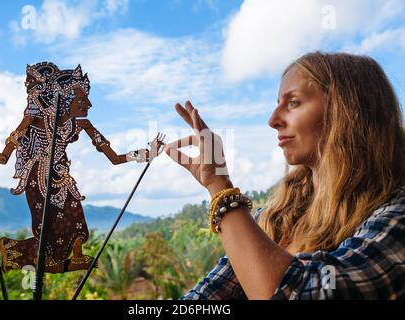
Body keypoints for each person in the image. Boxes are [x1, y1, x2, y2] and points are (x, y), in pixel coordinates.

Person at [164, 52, 405, 299]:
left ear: (347, 111)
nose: (273, 120)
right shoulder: (276, 216)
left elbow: (304, 293)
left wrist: (219, 185)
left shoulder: (396, 216)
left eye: (293, 103)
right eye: (278, 103)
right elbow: (209, 295)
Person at [0, 62, 165, 273]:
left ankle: (77, 256)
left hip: (62, 178)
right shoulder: (31, 120)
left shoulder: (83, 125)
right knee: (49, 234)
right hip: (37, 179)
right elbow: (2, 158)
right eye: (82, 99)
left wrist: (147, 154)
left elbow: (116, 158)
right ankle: (17, 252)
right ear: (64, 99)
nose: (89, 104)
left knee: (75, 215)